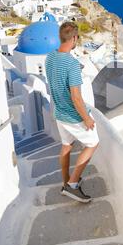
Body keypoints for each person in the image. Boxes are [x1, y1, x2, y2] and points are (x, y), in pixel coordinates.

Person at [45, 21, 99, 203]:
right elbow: (76, 97)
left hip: (59, 112)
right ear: (74, 38)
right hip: (73, 116)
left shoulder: (50, 57)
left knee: (67, 146)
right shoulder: (72, 64)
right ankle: (73, 184)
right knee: (92, 143)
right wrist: (87, 119)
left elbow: (56, 80)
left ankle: (65, 182)